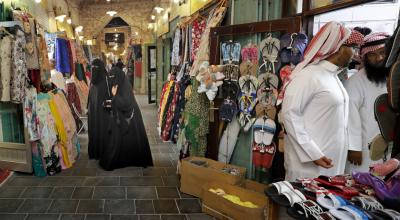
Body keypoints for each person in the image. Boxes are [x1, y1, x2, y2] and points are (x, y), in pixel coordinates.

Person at [282, 21, 364, 181]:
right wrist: (312, 153)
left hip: (331, 163)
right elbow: (290, 114)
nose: (355, 53)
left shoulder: (333, 77)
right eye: (352, 48)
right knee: (303, 203)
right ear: (338, 48)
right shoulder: (308, 76)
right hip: (309, 166)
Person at [345, 32, 391, 173]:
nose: (379, 58)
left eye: (383, 52)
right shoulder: (355, 82)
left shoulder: (393, 76)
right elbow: (350, 117)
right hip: (364, 150)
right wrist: (354, 148)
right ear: (365, 57)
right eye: (372, 55)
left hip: (390, 147)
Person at [99, 66, 153, 170]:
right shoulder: (119, 83)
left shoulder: (124, 85)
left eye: (113, 77)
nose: (111, 79)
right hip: (122, 118)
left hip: (129, 118)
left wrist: (114, 96)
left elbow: (125, 103)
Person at [87, 59, 110, 160]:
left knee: (99, 129)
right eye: (92, 67)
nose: (94, 69)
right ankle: (98, 151)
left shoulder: (103, 81)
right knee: (98, 130)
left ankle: (99, 152)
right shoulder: (98, 81)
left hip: (100, 112)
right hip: (97, 113)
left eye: (95, 67)